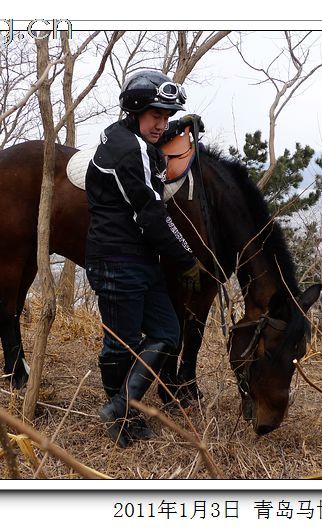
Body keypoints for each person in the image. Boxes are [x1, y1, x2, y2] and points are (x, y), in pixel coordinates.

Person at [84, 70, 205, 448]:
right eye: (156, 116)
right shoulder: (128, 149)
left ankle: (122, 405)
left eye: (167, 117)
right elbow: (151, 214)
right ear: (135, 111)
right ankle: (122, 420)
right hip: (117, 259)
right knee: (120, 344)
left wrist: (173, 130)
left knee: (167, 333)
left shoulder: (124, 134)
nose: (161, 124)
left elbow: (146, 144)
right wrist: (187, 259)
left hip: (139, 260)